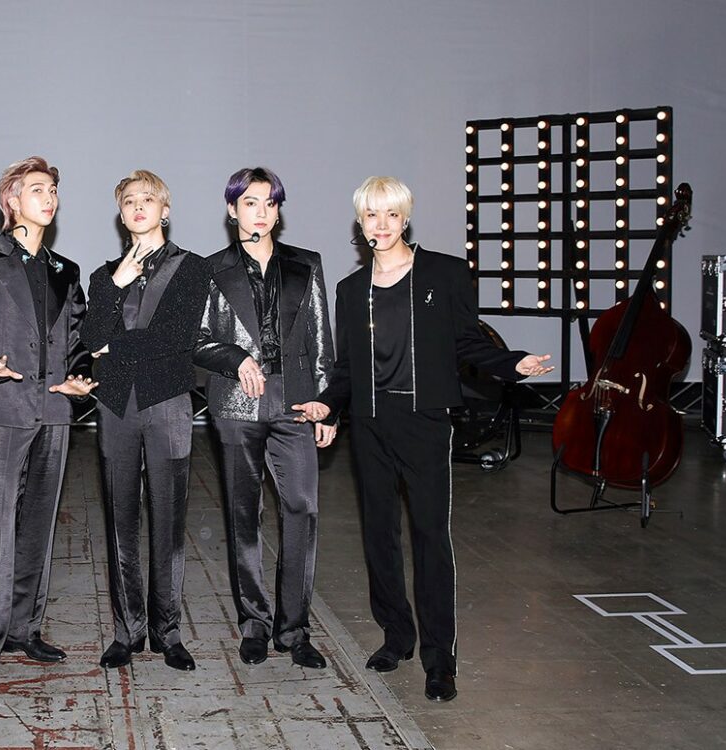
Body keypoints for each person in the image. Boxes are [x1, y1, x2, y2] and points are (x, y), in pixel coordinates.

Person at [313, 176, 554, 703]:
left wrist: (513, 363)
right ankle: (396, 637)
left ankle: (440, 660)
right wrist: (329, 404)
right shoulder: (350, 290)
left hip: (424, 421)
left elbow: (468, 341)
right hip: (371, 424)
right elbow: (347, 368)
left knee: (430, 537)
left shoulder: (444, 273)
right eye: (371, 215)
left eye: (390, 214)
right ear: (360, 222)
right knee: (379, 536)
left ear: (405, 218)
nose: (381, 224)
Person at [0, 156, 96, 698]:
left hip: (54, 410)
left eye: (53, 190)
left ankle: (23, 629)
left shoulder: (66, 270)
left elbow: (77, 337)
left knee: (38, 525)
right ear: (11, 200)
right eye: (37, 189)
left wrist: (81, 374)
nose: (49, 198)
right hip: (2, 408)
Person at [194, 167, 335, 671]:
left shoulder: (306, 264)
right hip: (237, 403)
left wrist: (328, 404)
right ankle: (254, 623)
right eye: (250, 203)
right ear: (232, 210)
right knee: (243, 514)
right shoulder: (210, 270)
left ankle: (293, 629)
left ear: (278, 210)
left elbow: (321, 339)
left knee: (302, 509)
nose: (261, 212)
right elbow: (196, 339)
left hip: (296, 402)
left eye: (270, 203)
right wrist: (235, 358)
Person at [80, 170, 210, 671]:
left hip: (168, 402)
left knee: (169, 519)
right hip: (115, 405)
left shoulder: (192, 268)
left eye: (148, 199)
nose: (138, 207)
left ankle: (168, 632)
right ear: (121, 214)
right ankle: (127, 631)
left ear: (165, 210)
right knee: (120, 519)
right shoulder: (103, 276)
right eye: (129, 201)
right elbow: (89, 338)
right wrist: (115, 288)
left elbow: (176, 338)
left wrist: (113, 347)